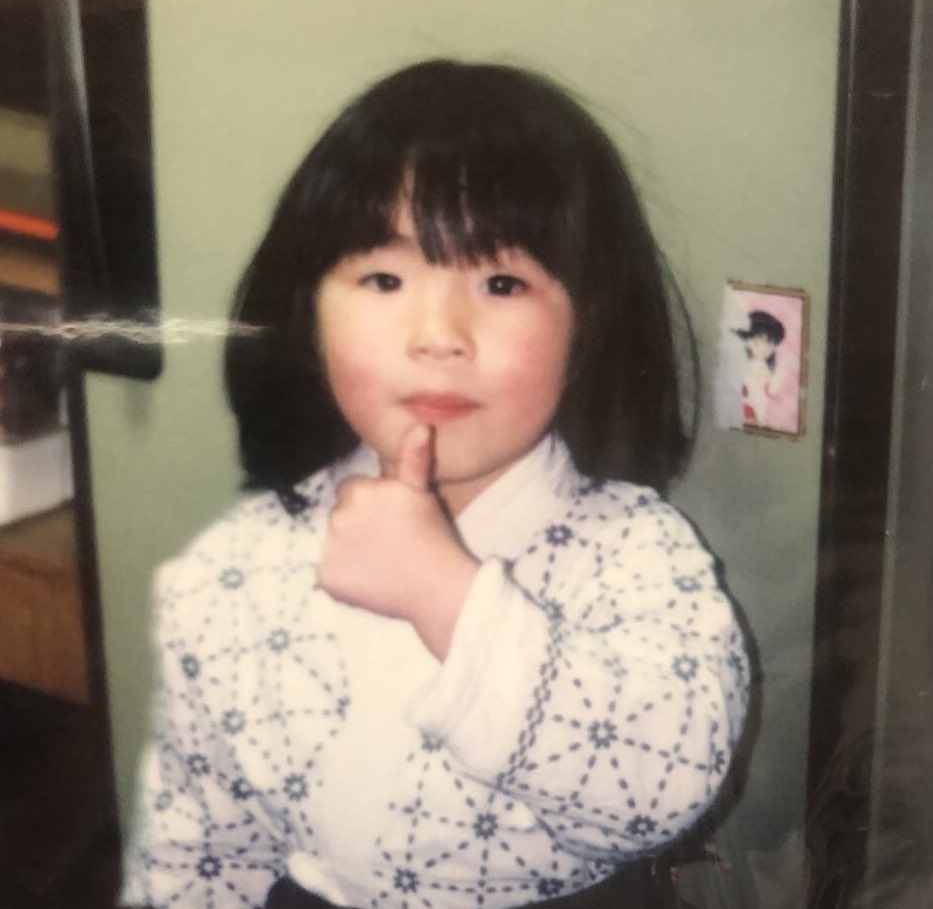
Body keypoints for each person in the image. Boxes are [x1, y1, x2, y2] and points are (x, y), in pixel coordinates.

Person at [121, 59, 751, 909]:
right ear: (306, 312)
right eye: (384, 279)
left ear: (589, 327)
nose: (438, 334)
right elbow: (196, 846)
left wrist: (443, 595)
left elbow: (663, 786)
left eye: (501, 283)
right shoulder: (235, 565)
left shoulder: (634, 551)